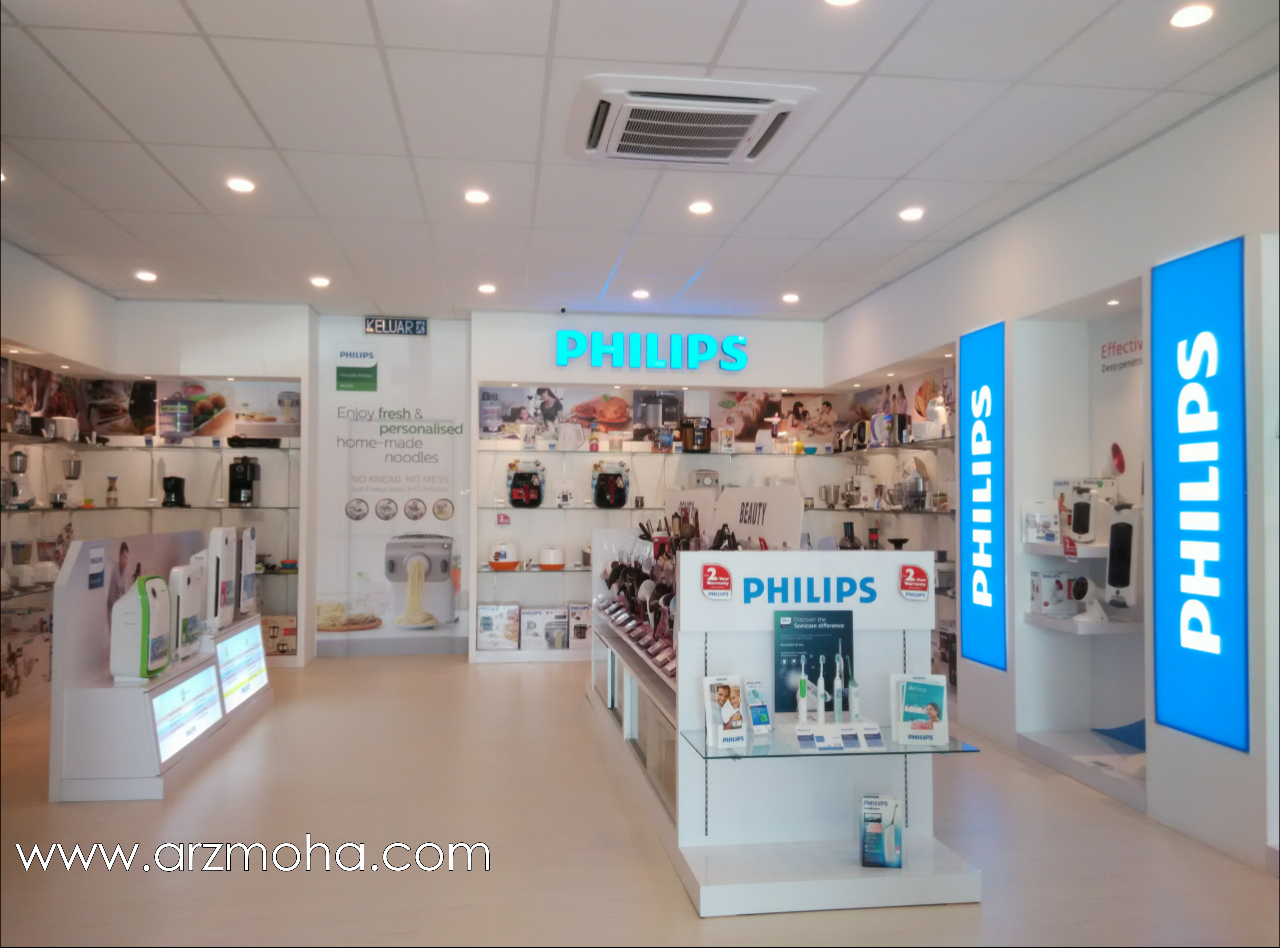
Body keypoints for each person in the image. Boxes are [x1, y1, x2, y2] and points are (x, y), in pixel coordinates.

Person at [107, 541, 130, 613]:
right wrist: (120, 607)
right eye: (124, 557)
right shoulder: (115, 572)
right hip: (112, 610)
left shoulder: (124, 573)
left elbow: (123, 592)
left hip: (118, 607)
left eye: (127, 558)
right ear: (120, 556)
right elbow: (111, 600)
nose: (126, 562)